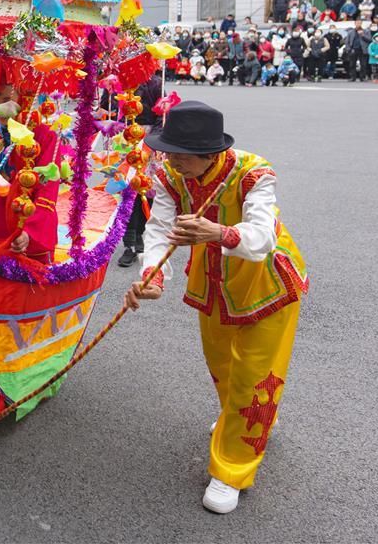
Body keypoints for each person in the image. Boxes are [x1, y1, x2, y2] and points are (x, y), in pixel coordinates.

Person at [127, 101, 307, 515]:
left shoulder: (254, 173)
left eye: (179, 154)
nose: (170, 160)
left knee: (252, 377)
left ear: (211, 153)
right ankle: (246, 420)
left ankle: (231, 470)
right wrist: (152, 274)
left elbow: (261, 238)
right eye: (167, 151)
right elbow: (159, 228)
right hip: (211, 282)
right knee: (222, 367)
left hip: (266, 285)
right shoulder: (172, 175)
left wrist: (219, 233)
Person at [0, 80, 59, 262]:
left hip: (30, 234)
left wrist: (30, 232)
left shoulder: (45, 136)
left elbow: (48, 192)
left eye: (7, 100)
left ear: (23, 99)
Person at [118, 71, 163, 268]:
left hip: (149, 141)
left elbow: (163, 116)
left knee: (146, 189)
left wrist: (154, 141)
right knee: (128, 189)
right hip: (126, 139)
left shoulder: (155, 83)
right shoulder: (121, 81)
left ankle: (141, 233)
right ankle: (129, 243)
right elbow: (108, 109)